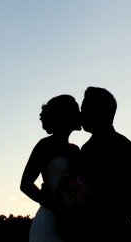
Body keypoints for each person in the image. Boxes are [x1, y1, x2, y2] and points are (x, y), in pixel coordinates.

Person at [77, 87, 131, 241]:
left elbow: (128, 196)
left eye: (84, 109)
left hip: (113, 232)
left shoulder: (123, 146)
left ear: (98, 112)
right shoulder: (85, 148)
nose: (81, 114)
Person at [21, 95, 82, 242]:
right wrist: (57, 206)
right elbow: (25, 185)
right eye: (76, 110)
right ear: (65, 115)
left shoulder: (76, 150)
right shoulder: (45, 145)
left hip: (71, 224)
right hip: (48, 222)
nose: (80, 114)